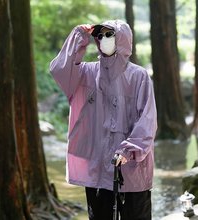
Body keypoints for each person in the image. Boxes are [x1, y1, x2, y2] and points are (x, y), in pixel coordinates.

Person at [50, 20, 157, 220]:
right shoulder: (85, 74)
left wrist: (129, 150)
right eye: (100, 36)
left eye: (109, 35)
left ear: (122, 39)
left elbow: (147, 120)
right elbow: (59, 70)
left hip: (132, 169)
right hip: (97, 169)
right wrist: (78, 38)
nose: (103, 39)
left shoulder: (139, 77)